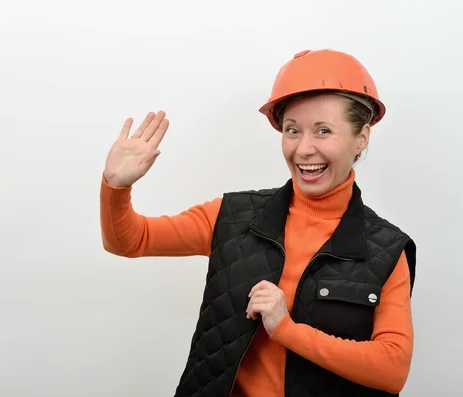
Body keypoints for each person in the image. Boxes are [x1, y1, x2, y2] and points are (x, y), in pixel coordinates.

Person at [99, 49, 417, 397]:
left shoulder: (386, 250)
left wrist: (285, 329)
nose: (304, 149)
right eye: (292, 130)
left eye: (323, 131)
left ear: (362, 138)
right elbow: (130, 241)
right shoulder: (232, 216)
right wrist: (116, 186)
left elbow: (392, 369)